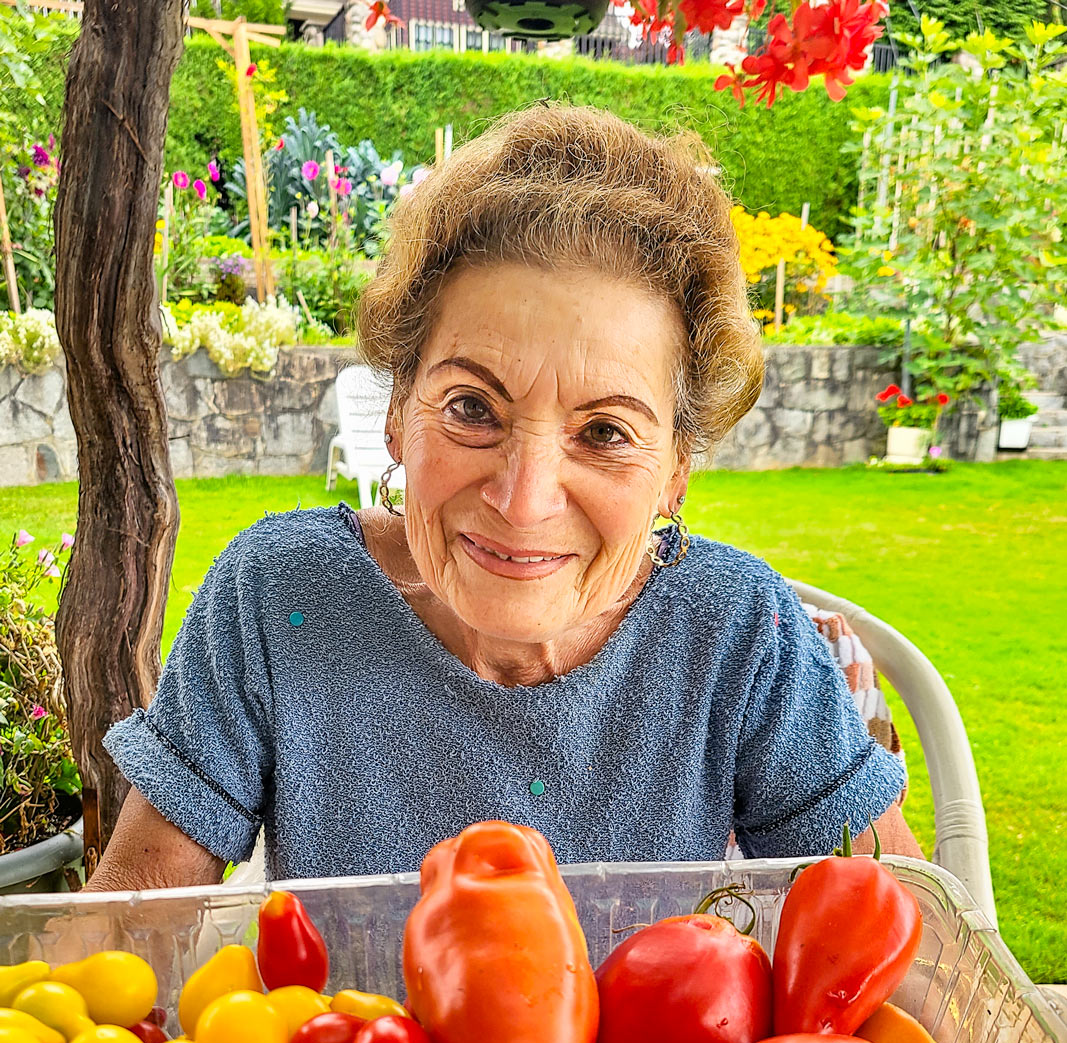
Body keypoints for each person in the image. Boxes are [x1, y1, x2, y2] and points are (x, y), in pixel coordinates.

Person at [91, 103, 919, 891]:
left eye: (604, 432)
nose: (523, 503)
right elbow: (130, 910)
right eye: (471, 409)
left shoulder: (735, 632)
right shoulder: (279, 595)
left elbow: (909, 929)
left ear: (675, 469)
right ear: (396, 412)